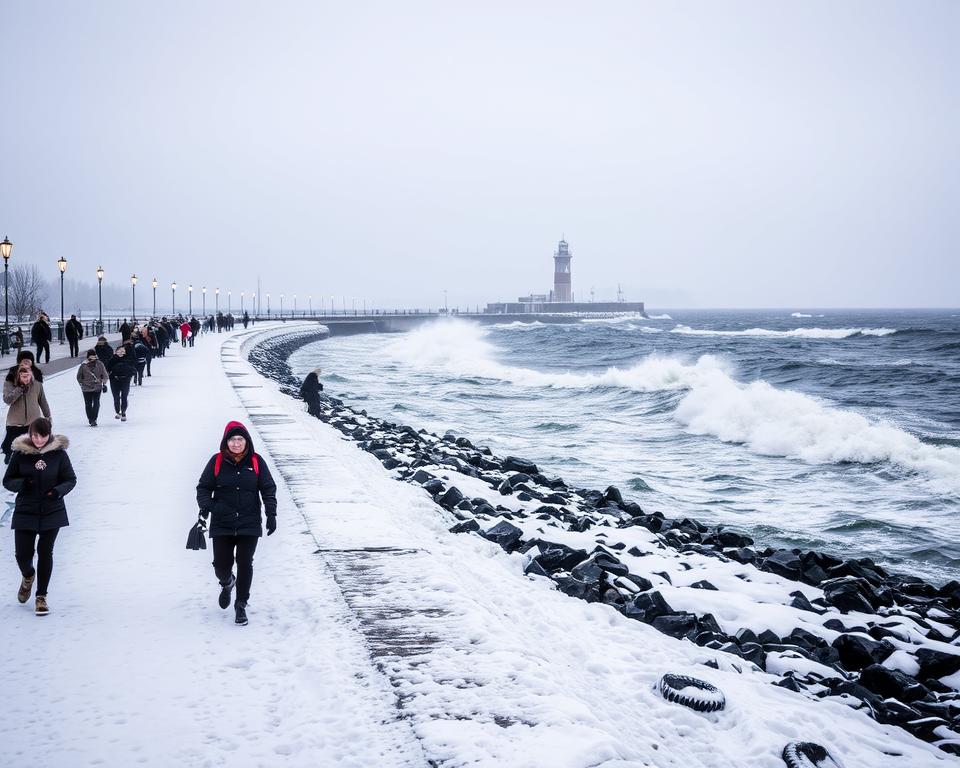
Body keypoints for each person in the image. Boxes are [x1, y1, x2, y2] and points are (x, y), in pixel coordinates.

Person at [196, 421, 277, 626]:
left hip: (249, 522)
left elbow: (268, 488)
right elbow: (203, 488)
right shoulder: (216, 461)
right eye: (232, 439)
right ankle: (227, 582)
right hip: (222, 522)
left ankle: (240, 604)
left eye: (240, 439)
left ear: (246, 441)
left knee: (244, 562)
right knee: (221, 565)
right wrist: (212, 507)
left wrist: (271, 514)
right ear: (226, 441)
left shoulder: (257, 461)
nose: (236, 443)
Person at [3, 417, 77, 615]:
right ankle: (28, 575)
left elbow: (70, 479)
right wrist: (23, 483)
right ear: (30, 433)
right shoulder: (20, 453)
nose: (38, 440)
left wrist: (57, 491)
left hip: (52, 509)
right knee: (22, 555)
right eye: (35, 435)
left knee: (46, 552)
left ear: (49, 434)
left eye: (43, 436)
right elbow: (7, 481)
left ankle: (41, 597)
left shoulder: (59, 454)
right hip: (26, 509)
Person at [2, 361, 51, 463]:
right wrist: (19, 389)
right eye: (24, 376)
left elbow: (43, 402)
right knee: (11, 447)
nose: (27, 379)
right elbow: (7, 400)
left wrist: (48, 417)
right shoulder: (10, 384)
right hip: (15, 423)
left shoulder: (37, 385)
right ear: (19, 375)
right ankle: (10, 458)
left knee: (31, 448)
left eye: (28, 375)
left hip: (33, 422)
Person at [76, 349, 108, 426]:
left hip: (97, 387)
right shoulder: (83, 365)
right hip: (86, 388)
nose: (93, 358)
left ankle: (94, 418)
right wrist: (82, 384)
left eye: (94, 356)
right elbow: (79, 376)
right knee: (88, 404)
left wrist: (103, 381)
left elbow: (105, 375)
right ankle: (91, 419)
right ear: (88, 357)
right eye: (91, 356)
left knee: (97, 403)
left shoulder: (100, 364)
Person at [107, 342, 136, 421]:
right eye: (119, 351)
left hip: (125, 380)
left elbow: (133, 369)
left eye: (122, 351)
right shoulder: (112, 359)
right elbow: (107, 370)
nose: (121, 352)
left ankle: (123, 412)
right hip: (114, 381)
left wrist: (130, 374)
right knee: (116, 397)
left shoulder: (128, 359)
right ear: (116, 352)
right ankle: (117, 411)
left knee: (124, 397)